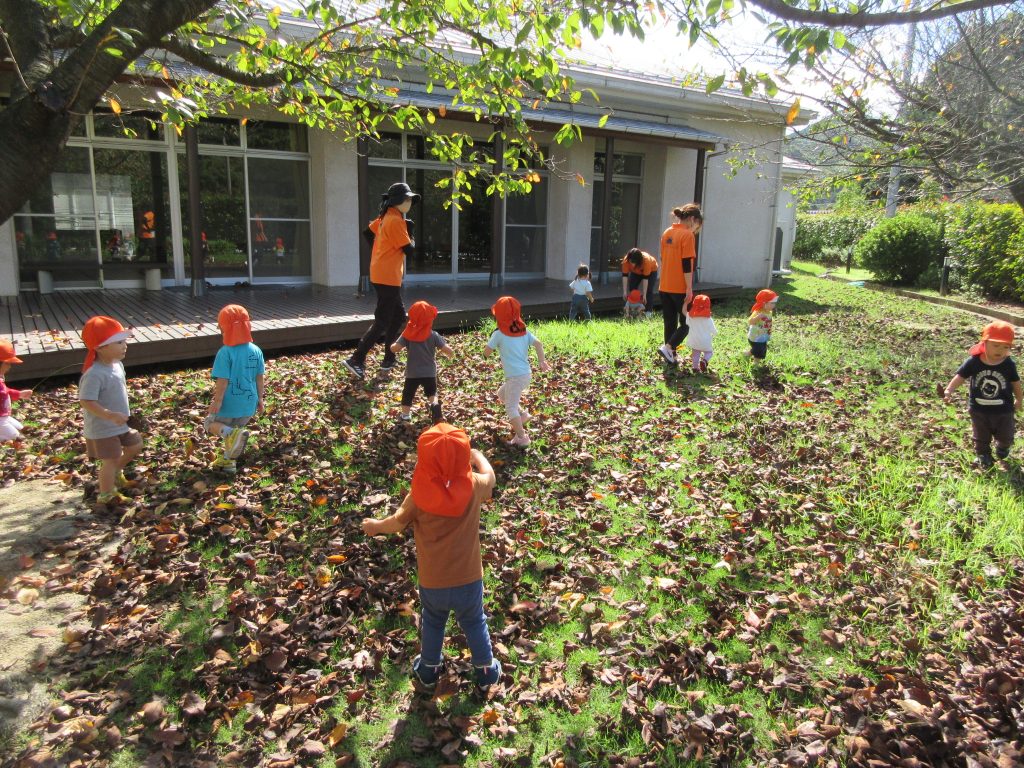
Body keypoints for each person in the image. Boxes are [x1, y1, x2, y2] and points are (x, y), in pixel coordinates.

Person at [361, 423, 501, 693]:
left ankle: (428, 670)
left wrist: (375, 526)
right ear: (463, 455)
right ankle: (486, 671)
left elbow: (397, 522)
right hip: (469, 577)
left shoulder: (418, 495)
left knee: (434, 621)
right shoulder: (474, 485)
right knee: (474, 621)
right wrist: (478, 456)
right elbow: (491, 478)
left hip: (433, 580)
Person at [343, 182, 420, 380]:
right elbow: (410, 251)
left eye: (410, 199)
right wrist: (411, 234)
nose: (410, 202)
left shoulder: (385, 217)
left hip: (382, 274)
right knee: (383, 321)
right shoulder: (395, 221)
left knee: (398, 317)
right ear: (397, 201)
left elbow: (367, 233)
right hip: (388, 277)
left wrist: (380, 251)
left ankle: (389, 358)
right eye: (407, 198)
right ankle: (356, 359)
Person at [79, 316, 141, 506]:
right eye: (119, 342)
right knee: (110, 460)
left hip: (121, 422)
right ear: (100, 347)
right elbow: (86, 401)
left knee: (135, 445)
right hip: (103, 427)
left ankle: (116, 472)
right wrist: (109, 414)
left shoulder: (117, 365)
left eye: (124, 341)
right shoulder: (94, 374)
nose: (125, 346)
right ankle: (106, 494)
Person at [943, 321, 1021, 468]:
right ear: (984, 343)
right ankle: (983, 455)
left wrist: (1019, 399)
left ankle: (1003, 446)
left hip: (1003, 409)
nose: (1000, 350)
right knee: (980, 436)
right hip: (978, 408)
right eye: (996, 345)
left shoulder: (1008, 364)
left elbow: (1015, 383)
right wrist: (949, 390)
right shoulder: (974, 362)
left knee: (1006, 435)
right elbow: (960, 376)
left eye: (1005, 347)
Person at [204, 305, 265, 475]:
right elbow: (259, 377)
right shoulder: (256, 350)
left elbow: (223, 380)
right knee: (237, 435)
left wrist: (217, 401)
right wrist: (260, 399)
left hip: (230, 403)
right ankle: (228, 462)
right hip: (249, 403)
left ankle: (229, 434)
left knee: (210, 424)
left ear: (224, 328)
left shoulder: (225, 352)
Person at [484, 296, 549, 447]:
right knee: (502, 394)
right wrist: (542, 361)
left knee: (510, 407)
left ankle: (522, 437)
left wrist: (485, 354)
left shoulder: (498, 333)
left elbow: (487, 352)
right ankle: (522, 415)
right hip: (526, 374)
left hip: (515, 377)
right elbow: (538, 343)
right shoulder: (523, 330)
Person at [390, 301, 452, 424]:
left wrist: (391, 346)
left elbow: (395, 348)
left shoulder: (407, 334)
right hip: (429, 372)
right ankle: (435, 405)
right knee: (431, 392)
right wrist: (450, 353)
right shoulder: (433, 335)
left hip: (412, 373)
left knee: (408, 394)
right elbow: (448, 350)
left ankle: (405, 415)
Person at [657, 204, 702, 365]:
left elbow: (662, 258)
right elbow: (686, 264)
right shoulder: (687, 235)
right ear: (692, 219)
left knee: (669, 322)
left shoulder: (667, 232)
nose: (695, 230)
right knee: (688, 322)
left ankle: (671, 355)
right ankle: (668, 348)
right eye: (697, 226)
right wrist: (689, 288)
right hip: (679, 287)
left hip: (664, 285)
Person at [0, 340, 32, 443]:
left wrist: (19, 394)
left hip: (4, 416)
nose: (9, 367)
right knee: (15, 436)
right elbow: (3, 392)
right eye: (7, 363)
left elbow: (6, 391)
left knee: (20, 427)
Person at [684, 294, 717, 373]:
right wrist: (715, 333)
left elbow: (684, 312)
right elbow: (713, 330)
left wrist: (685, 303)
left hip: (694, 340)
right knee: (709, 352)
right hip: (705, 341)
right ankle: (704, 361)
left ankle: (695, 367)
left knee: (695, 354)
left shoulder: (690, 317)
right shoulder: (708, 319)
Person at [621, 248, 659, 316]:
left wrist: (644, 294)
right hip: (635, 272)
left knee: (648, 290)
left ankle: (648, 312)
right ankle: (633, 309)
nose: (632, 264)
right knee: (632, 287)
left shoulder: (646, 260)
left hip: (651, 271)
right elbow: (625, 276)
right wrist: (624, 292)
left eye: (634, 262)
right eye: (631, 261)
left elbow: (645, 279)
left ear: (638, 260)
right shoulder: (626, 260)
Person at [745, 289, 778, 361]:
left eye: (774, 303)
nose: (774, 305)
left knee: (761, 349)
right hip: (755, 337)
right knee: (758, 350)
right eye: (772, 303)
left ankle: (747, 354)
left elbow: (767, 322)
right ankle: (756, 364)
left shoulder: (769, 312)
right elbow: (750, 322)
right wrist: (758, 317)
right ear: (764, 303)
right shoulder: (758, 312)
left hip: (763, 336)